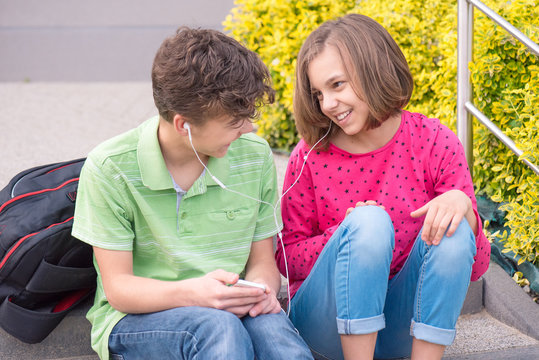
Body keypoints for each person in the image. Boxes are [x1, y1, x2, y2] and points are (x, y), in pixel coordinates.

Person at [72, 27, 313, 360]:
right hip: (137, 318)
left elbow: (263, 265)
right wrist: (194, 293)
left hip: (227, 302)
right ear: (184, 125)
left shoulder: (253, 156)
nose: (249, 129)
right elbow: (119, 289)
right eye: (234, 121)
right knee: (218, 329)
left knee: (277, 339)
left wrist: (261, 290)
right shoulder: (110, 168)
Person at [275, 14, 491, 360]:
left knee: (453, 226)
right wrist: (347, 235)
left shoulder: (434, 141)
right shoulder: (309, 157)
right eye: (318, 94)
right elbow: (287, 260)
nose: (327, 104)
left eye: (337, 85)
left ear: (373, 70)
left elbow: (477, 267)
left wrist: (463, 207)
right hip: (326, 327)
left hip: (402, 329)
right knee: (369, 223)